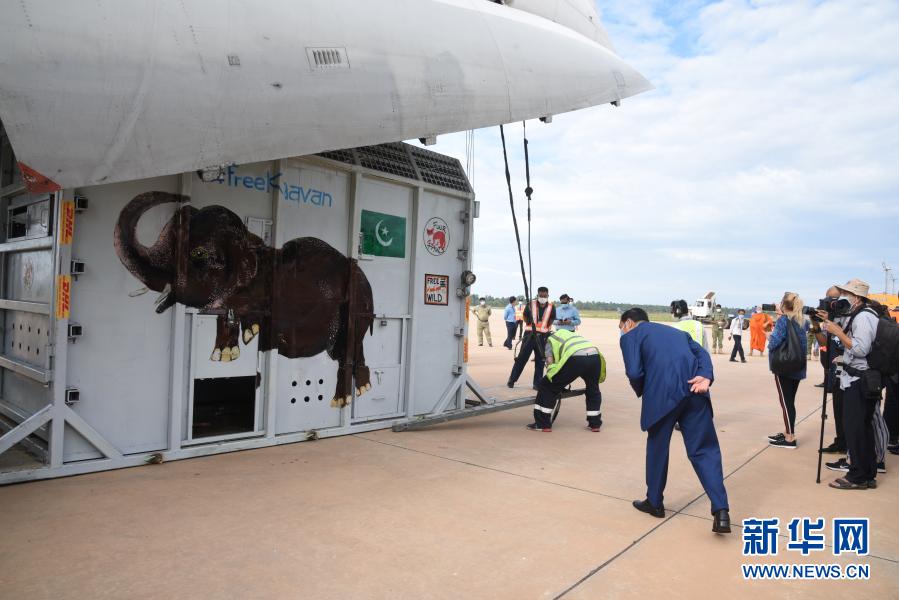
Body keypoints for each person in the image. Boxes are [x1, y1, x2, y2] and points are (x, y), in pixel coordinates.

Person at [619, 308, 731, 534]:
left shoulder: (631, 336)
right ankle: (721, 511)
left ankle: (654, 502)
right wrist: (706, 376)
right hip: (695, 390)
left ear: (629, 323)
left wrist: (645, 390)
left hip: (662, 397)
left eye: (621, 327)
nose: (621, 331)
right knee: (704, 450)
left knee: (658, 449)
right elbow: (702, 355)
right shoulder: (678, 333)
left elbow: (634, 373)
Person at [820, 279, 880, 490]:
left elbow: (861, 349)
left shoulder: (863, 317)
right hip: (858, 377)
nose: (842, 298)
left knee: (855, 430)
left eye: (845, 293)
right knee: (862, 429)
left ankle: (857, 477)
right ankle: (867, 473)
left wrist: (837, 332)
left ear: (855, 297)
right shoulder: (860, 314)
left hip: (859, 380)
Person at [527, 329, 604, 432]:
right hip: (595, 356)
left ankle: (542, 424)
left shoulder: (550, 340)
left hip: (576, 357)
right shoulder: (567, 335)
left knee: (547, 385)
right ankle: (595, 424)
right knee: (593, 389)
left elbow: (550, 362)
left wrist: (551, 378)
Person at [766, 293, 808, 449]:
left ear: (784, 305)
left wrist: (767, 334)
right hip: (797, 365)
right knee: (790, 401)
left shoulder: (783, 320)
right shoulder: (803, 320)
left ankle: (790, 437)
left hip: (784, 366)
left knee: (786, 403)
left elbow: (774, 342)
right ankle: (787, 431)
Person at [816, 286, 847, 454]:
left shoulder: (849, 317)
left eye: (833, 300)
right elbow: (823, 343)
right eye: (828, 299)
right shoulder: (830, 319)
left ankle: (848, 446)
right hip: (834, 369)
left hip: (848, 371)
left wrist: (836, 326)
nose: (830, 303)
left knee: (846, 411)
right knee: (837, 408)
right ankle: (841, 441)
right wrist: (816, 324)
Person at [507, 287, 556, 390]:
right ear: (538, 295)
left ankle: (537, 384)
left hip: (543, 337)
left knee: (540, 361)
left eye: (545, 296)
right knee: (521, 359)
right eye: (541, 296)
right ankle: (512, 380)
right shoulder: (531, 304)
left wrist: (544, 327)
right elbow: (525, 316)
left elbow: (551, 319)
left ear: (548, 296)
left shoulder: (551, 307)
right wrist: (530, 323)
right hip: (529, 336)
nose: (543, 298)